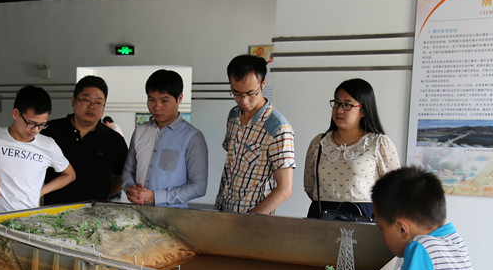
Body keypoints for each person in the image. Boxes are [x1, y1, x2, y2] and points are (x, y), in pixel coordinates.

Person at [303, 78, 400, 219]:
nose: (339, 110)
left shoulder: (379, 143)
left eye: (347, 105)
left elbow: (394, 189)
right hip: (322, 217)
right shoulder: (319, 143)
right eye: (336, 103)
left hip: (363, 218)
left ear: (363, 111)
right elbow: (309, 186)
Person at [215, 55, 295, 214]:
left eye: (251, 93)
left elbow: (285, 189)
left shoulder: (278, 127)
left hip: (254, 218)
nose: (244, 101)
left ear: (263, 83)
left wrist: (251, 217)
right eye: (236, 93)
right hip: (225, 210)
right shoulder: (234, 116)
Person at [122, 69, 208, 208]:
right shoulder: (140, 131)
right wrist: (130, 189)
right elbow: (128, 170)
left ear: (179, 99)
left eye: (164, 101)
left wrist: (156, 196)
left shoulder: (192, 138)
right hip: (138, 213)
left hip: (173, 216)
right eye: (151, 100)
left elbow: (199, 186)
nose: (157, 107)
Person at [0, 86, 75, 213]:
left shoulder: (48, 145)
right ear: (16, 113)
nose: (35, 130)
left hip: (31, 219)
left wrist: (41, 192)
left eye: (42, 125)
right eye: (31, 123)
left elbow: (69, 175)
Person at [41, 76, 127, 205]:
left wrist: (102, 194)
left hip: (95, 212)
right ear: (73, 101)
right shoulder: (50, 131)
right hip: (54, 210)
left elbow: (124, 175)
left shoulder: (114, 140)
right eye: (86, 100)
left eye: (98, 102)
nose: (92, 107)